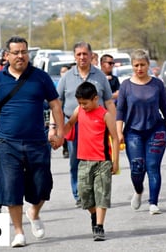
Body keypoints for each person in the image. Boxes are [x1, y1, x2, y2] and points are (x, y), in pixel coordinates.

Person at [0, 36, 65, 248]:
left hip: (37, 142)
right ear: (7, 56)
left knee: (42, 185)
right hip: (8, 144)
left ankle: (34, 212)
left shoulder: (41, 78)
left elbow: (55, 105)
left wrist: (59, 132)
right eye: (16, 52)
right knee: (11, 188)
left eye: (24, 52)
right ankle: (19, 232)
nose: (20, 56)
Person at [52, 41, 116, 208]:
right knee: (76, 160)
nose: (82, 57)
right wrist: (55, 128)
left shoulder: (100, 76)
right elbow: (57, 103)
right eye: (79, 54)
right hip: (74, 124)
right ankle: (79, 194)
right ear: (74, 56)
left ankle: (97, 191)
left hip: (98, 125)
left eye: (85, 54)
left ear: (91, 55)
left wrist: (115, 126)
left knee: (100, 159)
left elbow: (109, 101)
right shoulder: (66, 77)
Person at [116, 49, 166, 215]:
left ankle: (153, 203)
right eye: (136, 65)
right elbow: (120, 110)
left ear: (148, 65)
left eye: (142, 65)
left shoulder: (157, 84)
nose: (139, 68)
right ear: (132, 66)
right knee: (137, 167)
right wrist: (119, 132)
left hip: (156, 130)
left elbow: (165, 107)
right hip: (133, 132)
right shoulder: (126, 86)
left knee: (152, 166)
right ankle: (138, 191)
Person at [63, 81, 119, 241]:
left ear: (95, 99)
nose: (83, 106)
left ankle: (99, 226)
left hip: (102, 161)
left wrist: (115, 162)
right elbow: (70, 124)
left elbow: (114, 138)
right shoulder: (78, 110)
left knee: (102, 195)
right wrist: (59, 135)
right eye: (80, 103)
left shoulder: (105, 115)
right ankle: (94, 215)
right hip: (84, 161)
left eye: (85, 103)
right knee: (84, 196)